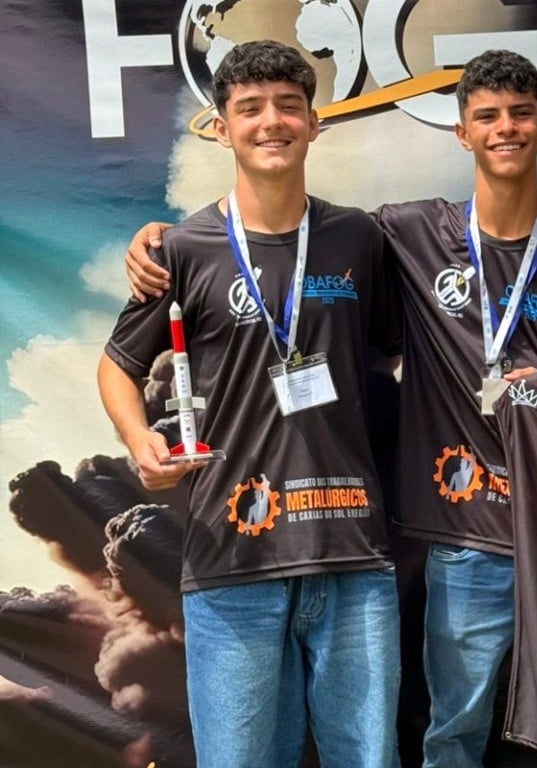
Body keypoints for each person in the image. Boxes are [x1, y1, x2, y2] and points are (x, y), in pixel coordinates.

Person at [122, 50, 537, 768]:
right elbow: (125, 356)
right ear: (461, 133)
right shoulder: (391, 232)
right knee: (447, 734)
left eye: (520, 114)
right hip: (417, 535)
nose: (505, 129)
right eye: (487, 115)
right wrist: (156, 239)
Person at [98, 40, 402, 768]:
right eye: (251, 108)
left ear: (314, 123)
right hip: (233, 559)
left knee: (368, 759)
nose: (272, 122)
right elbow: (117, 367)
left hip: (352, 554)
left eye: (289, 106)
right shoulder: (183, 248)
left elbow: (392, 352)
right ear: (221, 127)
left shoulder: (359, 237)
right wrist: (140, 442)